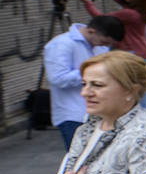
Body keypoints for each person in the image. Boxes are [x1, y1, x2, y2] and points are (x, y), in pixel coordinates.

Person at [44, 16, 123, 148]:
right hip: (74, 115)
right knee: (81, 162)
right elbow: (58, 78)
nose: (104, 46)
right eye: (103, 42)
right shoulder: (61, 44)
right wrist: (93, 73)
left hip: (101, 112)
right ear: (91, 31)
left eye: (108, 44)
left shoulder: (99, 46)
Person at [80, 0, 146, 59]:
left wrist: (88, 2)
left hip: (132, 53)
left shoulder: (130, 14)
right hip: (139, 51)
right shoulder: (140, 10)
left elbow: (102, 18)